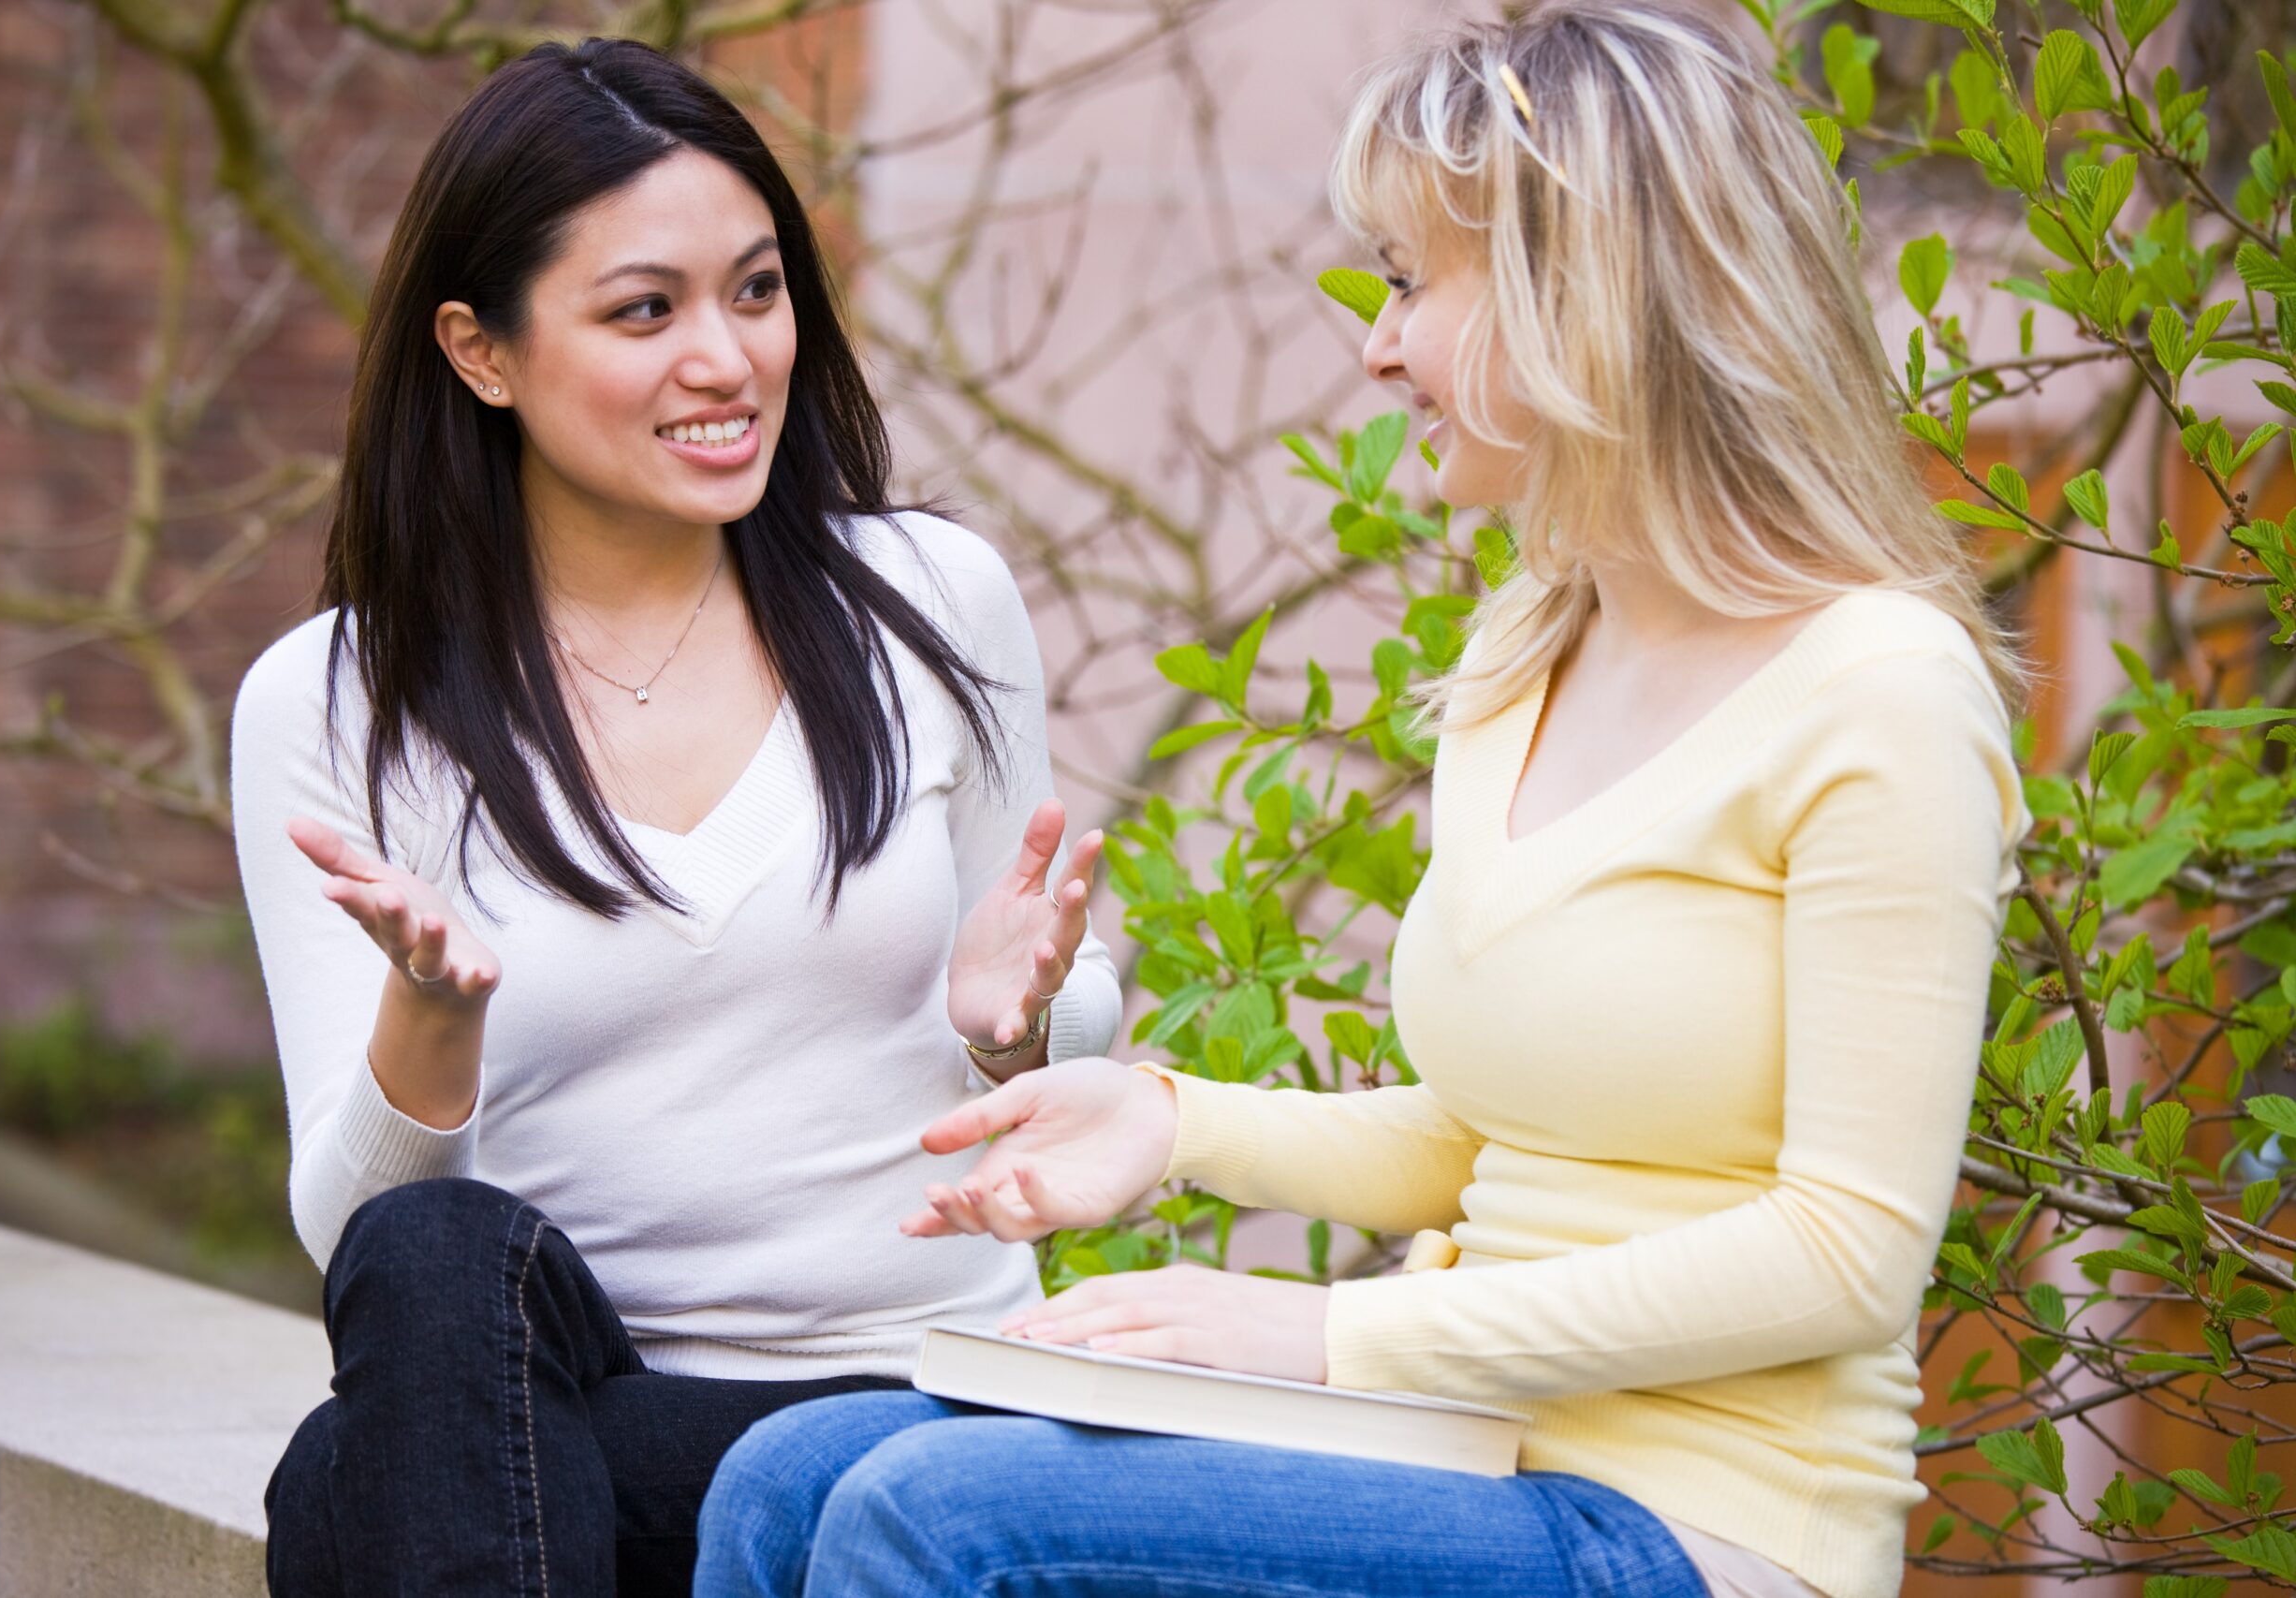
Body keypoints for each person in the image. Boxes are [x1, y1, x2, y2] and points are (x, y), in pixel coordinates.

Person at [689, 4, 2032, 1597]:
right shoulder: (1529, 652)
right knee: (790, 1475)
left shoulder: (1879, 688)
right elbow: (1494, 1138)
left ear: (1575, 295)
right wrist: (1176, 1120)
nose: (1376, 344)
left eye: (1409, 284)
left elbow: (1848, 1255)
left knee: (941, 1519)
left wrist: (1329, 1335)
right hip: (1466, 1453)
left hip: (1701, 1526)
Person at [227, 36, 1120, 1596]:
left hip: (909, 1412)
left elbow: (1066, 1034)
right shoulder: (338, 704)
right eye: (647, 310)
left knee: (343, 1485)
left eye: (758, 291)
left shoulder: (928, 606)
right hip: (568, 1412)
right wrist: (428, 1022)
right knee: (431, 1278)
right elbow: (357, 1240)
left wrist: (1011, 1035)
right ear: (480, 349)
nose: (728, 357)